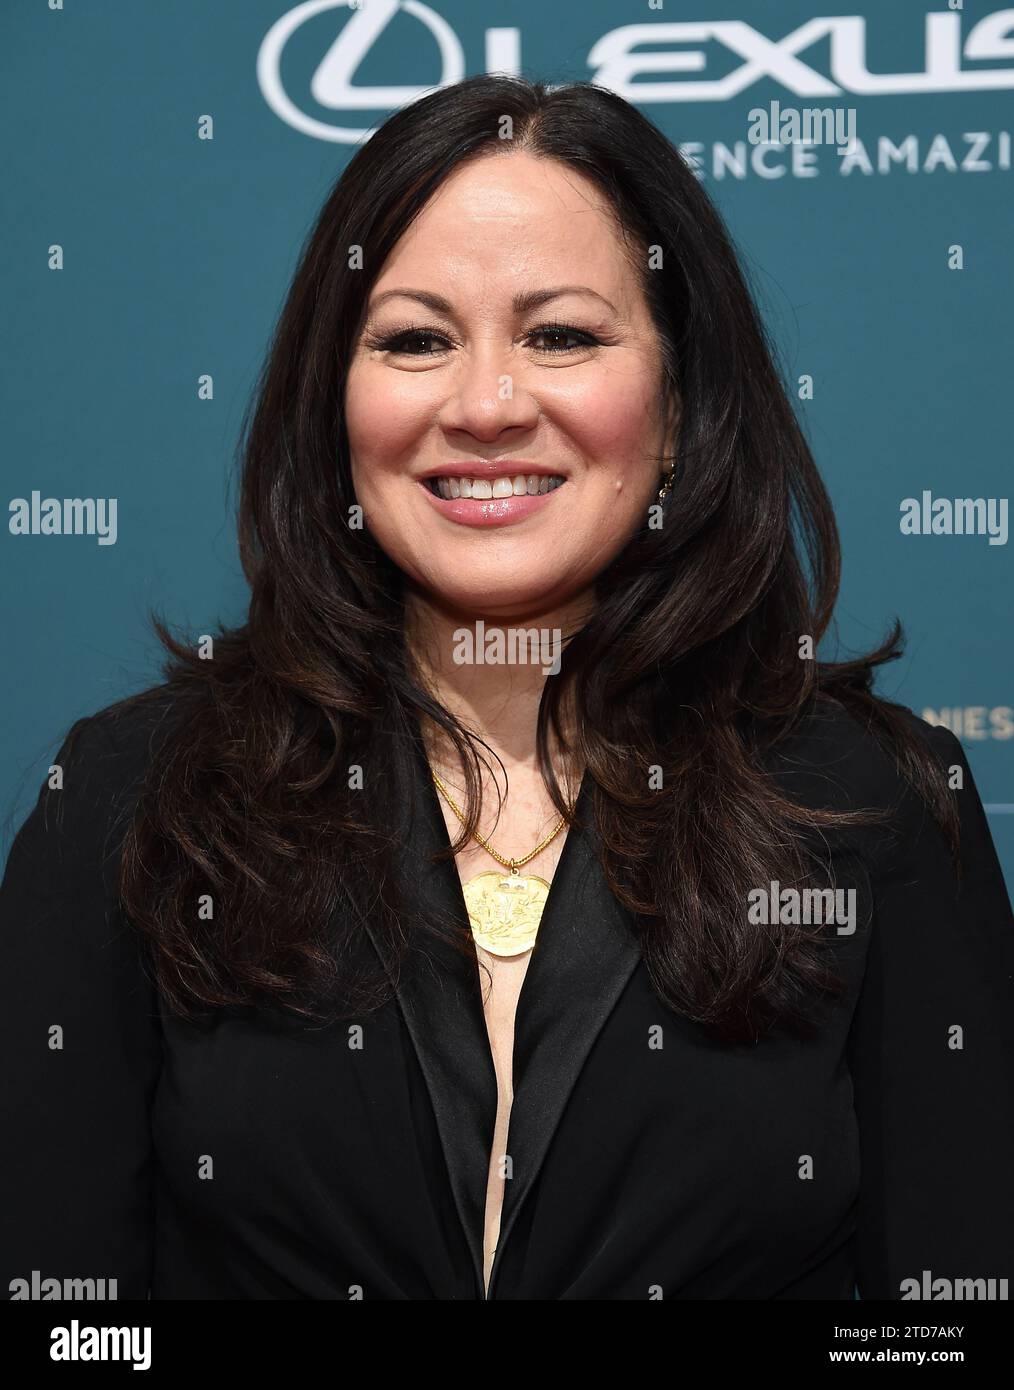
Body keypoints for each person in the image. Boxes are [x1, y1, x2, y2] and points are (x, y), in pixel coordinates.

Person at [2, 75, 1012, 1302]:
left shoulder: (872, 810)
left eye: (563, 336)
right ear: (336, 403)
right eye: (415, 339)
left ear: (683, 405)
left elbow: (951, 1324)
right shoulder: (128, 801)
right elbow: (60, 1327)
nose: (486, 405)